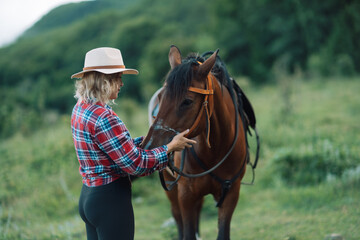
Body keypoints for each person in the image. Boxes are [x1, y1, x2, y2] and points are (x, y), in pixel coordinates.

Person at [70, 47, 196, 240]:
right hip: (110, 201)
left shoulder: (80, 109)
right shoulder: (105, 118)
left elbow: (114, 149)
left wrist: (154, 140)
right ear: (104, 80)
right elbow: (135, 165)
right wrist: (170, 148)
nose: (121, 83)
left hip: (89, 197)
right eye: (118, 78)